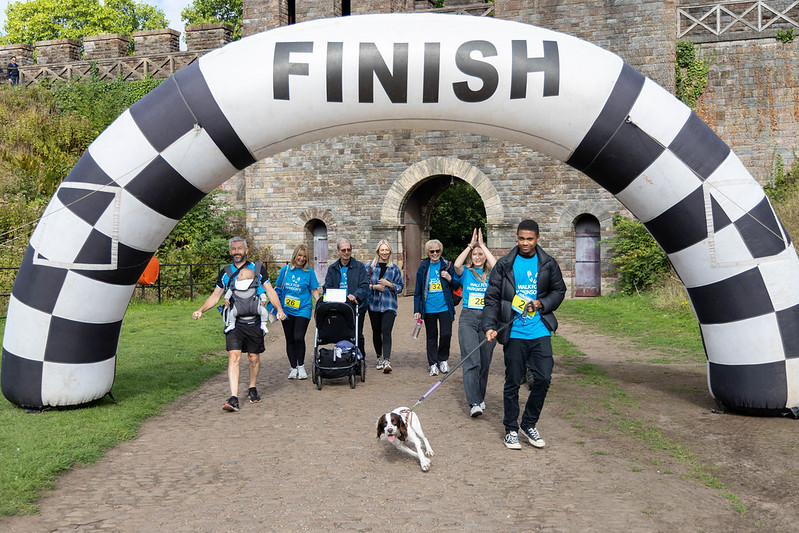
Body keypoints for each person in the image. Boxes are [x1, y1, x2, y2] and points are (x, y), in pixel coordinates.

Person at [483, 220, 566, 449]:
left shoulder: (548, 263)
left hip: (539, 330)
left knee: (543, 379)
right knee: (512, 382)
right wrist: (489, 325)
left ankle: (528, 424)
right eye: (521, 238)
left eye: (530, 239)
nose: (525, 243)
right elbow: (492, 297)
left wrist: (541, 303)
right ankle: (510, 428)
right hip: (514, 331)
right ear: (516, 238)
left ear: (537, 238)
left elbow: (559, 291)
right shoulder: (504, 265)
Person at [192, 237, 286, 412]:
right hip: (234, 322)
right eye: (233, 249)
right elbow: (216, 295)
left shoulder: (257, 269)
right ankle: (234, 397)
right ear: (230, 252)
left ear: (246, 250)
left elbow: (270, 291)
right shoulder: (226, 272)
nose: (237, 251)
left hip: (254, 320)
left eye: (240, 248)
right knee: (234, 356)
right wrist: (201, 310)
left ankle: (252, 388)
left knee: (253, 358)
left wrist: (279, 309)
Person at [453, 228, 497, 418]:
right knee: (472, 360)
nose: (478, 257)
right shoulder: (466, 273)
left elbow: (496, 265)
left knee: (485, 362)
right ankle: (474, 403)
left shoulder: (491, 274)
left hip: (488, 319)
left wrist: (483, 246)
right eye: (475, 255)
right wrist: (471, 245)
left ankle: (480, 396)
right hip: (468, 318)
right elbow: (456, 264)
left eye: (480, 254)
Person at [414, 239, 459, 377]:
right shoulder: (423, 267)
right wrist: (417, 310)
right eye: (432, 251)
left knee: (446, 334)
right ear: (427, 252)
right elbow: (417, 292)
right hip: (429, 308)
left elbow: (457, 285)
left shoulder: (447, 265)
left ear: (441, 251)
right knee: (431, 336)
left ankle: (443, 359)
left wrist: (450, 278)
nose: (435, 253)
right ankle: (433, 363)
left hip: (445, 306)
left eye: (437, 251)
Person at [275, 244, 320, 380]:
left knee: (298, 337)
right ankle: (293, 368)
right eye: (299, 255)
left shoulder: (309, 272)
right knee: (289, 339)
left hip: (303, 309)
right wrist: (277, 307)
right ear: (295, 256)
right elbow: (277, 287)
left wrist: (320, 303)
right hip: (287, 310)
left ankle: (301, 366)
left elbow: (314, 290)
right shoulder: (286, 270)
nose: (301, 259)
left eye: (304, 256)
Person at [323, 237, 369, 358]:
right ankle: (344, 358)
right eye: (343, 250)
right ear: (338, 251)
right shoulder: (332, 269)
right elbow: (327, 287)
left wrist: (355, 295)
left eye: (349, 249)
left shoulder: (359, 267)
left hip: (356, 306)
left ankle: (360, 359)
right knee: (342, 333)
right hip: (339, 307)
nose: (346, 252)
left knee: (357, 334)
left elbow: (364, 286)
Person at [367, 239, 404, 374]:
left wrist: (390, 284)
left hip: (389, 304)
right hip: (374, 303)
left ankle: (387, 360)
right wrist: (374, 286)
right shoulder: (370, 267)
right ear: (378, 251)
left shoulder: (394, 268)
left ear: (389, 252)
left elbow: (400, 287)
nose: (384, 252)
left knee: (386, 330)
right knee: (376, 331)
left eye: (386, 250)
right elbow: (363, 285)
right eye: (382, 250)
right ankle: (379, 357)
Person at [222, 267, 270, 334]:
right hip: (239, 307)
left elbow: (261, 292)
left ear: (248, 277)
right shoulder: (236, 284)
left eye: (241, 275)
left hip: (254, 307)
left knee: (264, 312)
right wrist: (226, 298)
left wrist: (264, 299)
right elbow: (230, 291)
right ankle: (231, 324)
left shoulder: (255, 284)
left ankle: (263, 324)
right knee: (232, 313)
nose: (238, 276)